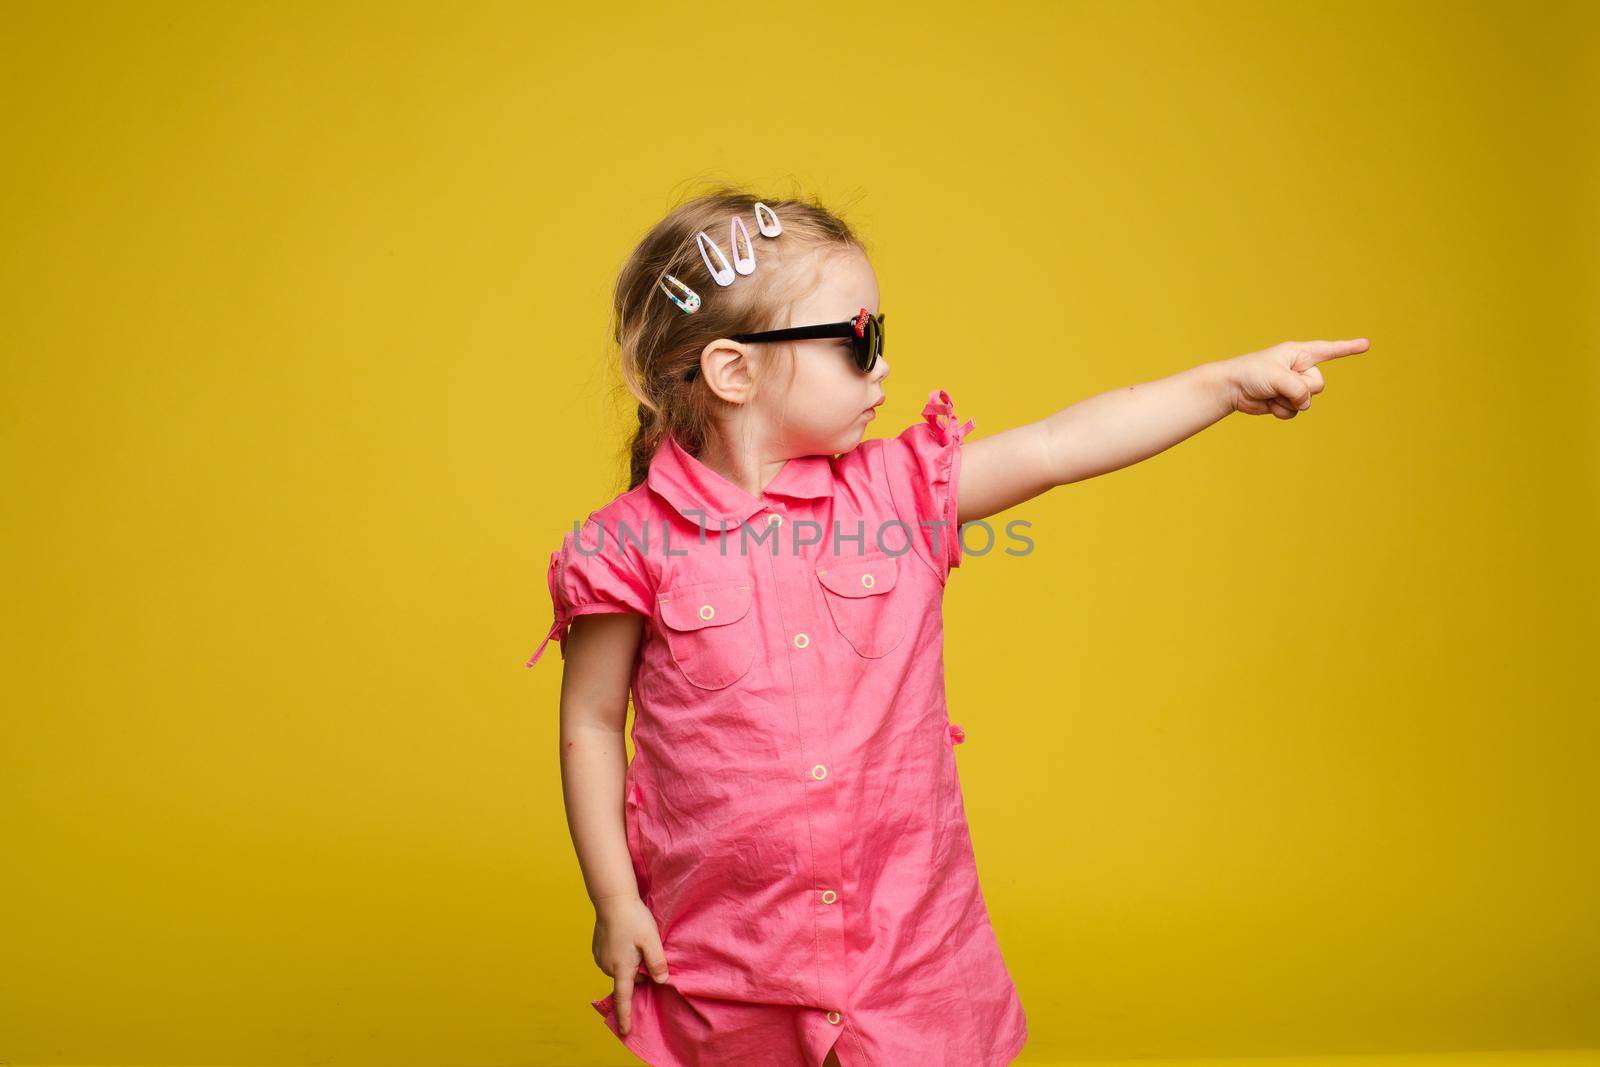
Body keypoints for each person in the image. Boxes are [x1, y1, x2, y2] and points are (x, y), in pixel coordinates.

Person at [525, 186, 1370, 1067]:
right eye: (859, 342)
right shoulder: (624, 546)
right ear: (735, 371)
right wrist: (616, 899)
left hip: (909, 948)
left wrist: (1225, 383)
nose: (883, 365)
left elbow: (1056, 445)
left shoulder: (899, 493)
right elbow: (590, 723)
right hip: (730, 958)